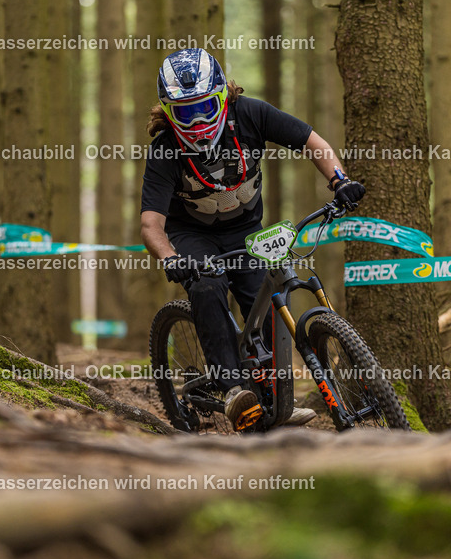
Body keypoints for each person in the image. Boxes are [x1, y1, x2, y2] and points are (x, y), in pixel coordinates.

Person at [139, 48, 366, 429]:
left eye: (204, 107)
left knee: (270, 297)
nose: (196, 119)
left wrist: (339, 181)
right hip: (191, 235)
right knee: (207, 287)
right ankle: (232, 390)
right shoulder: (165, 149)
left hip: (245, 231)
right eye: (184, 111)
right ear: (167, 109)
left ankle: (277, 399)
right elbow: (150, 224)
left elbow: (314, 143)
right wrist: (170, 258)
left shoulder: (251, 114)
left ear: (223, 96)